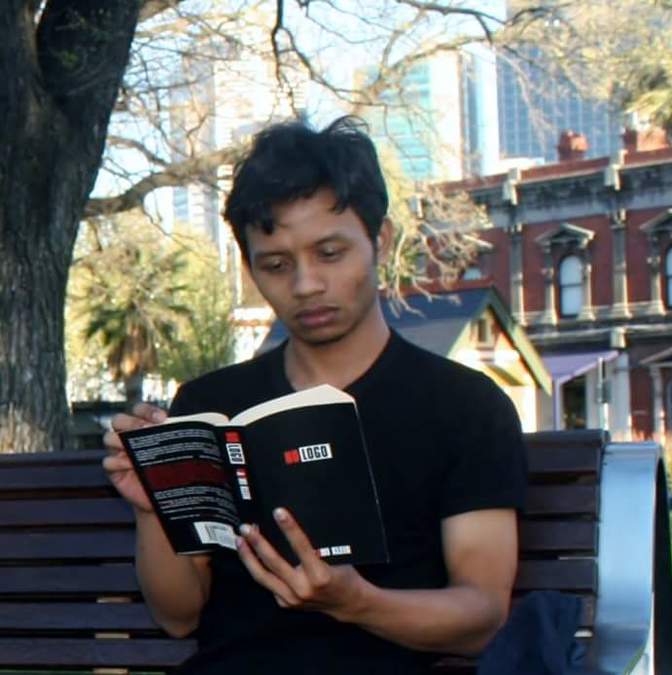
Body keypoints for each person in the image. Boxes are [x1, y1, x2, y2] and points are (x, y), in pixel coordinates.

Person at [103, 116, 527, 675]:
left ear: (380, 241)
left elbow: (483, 615)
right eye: (276, 265)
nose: (305, 285)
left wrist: (358, 603)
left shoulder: (464, 406)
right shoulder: (210, 403)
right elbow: (178, 617)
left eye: (330, 253)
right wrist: (153, 508)